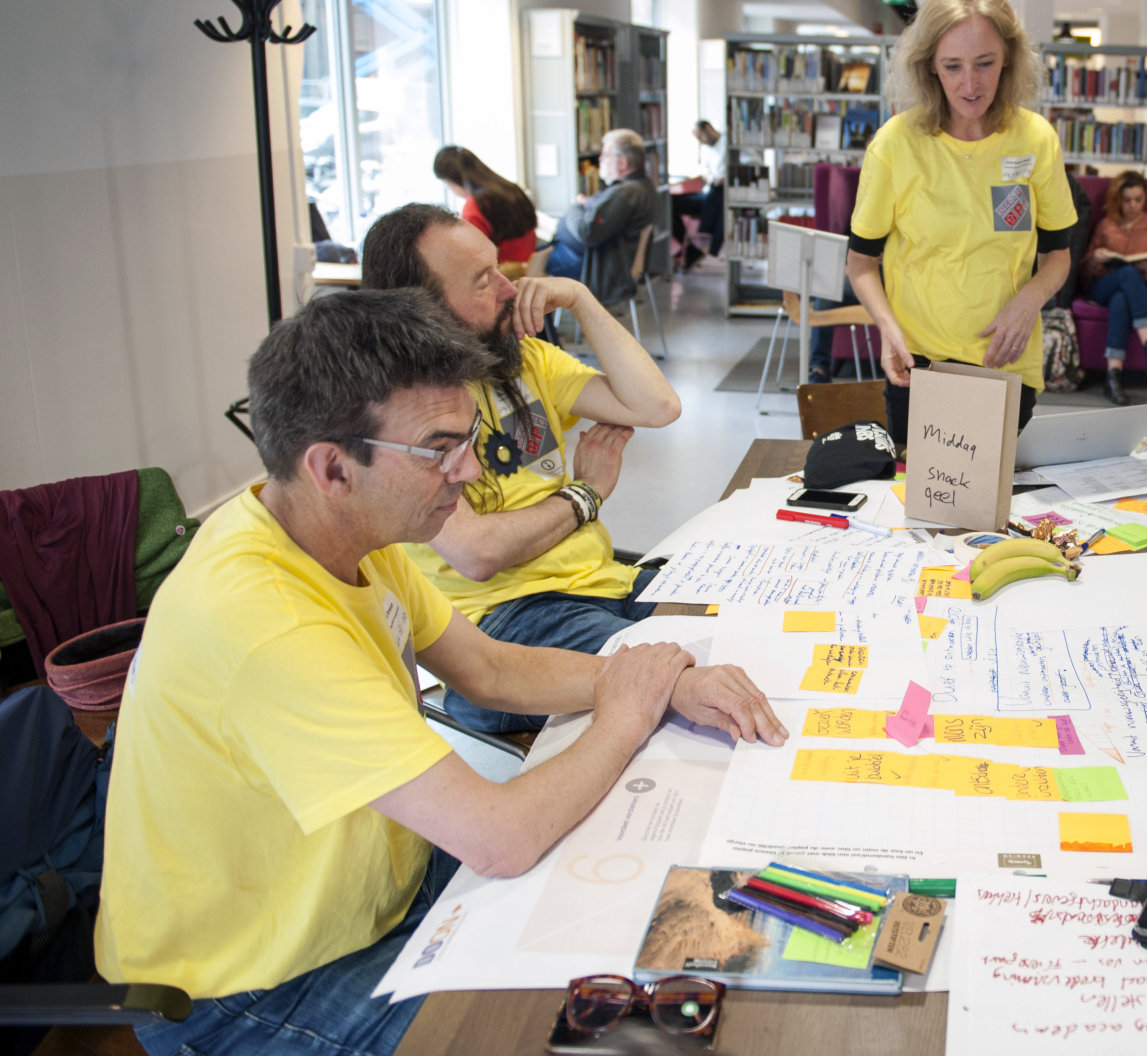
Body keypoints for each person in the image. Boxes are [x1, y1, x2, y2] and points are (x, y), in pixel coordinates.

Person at [96, 289, 783, 1056]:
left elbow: (488, 667)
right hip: (248, 983)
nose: (467, 471)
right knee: (585, 1034)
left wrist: (664, 682)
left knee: (659, 944)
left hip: (373, 895)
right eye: (438, 449)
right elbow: (502, 838)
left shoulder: (348, 530)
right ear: (331, 468)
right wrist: (627, 710)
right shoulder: (265, 618)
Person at [360, 205, 681, 732]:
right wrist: (587, 494)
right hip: (500, 625)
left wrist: (580, 298)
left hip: (603, 585)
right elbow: (477, 553)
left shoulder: (523, 360)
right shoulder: (404, 410)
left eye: (501, 271)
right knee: (677, 669)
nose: (512, 291)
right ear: (423, 309)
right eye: (484, 281)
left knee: (736, 622)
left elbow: (658, 407)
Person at [846, 0, 1078, 443]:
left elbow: (1058, 255)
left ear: (1008, 58)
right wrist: (889, 331)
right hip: (920, 367)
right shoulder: (896, 143)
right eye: (952, 66)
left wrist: (1028, 301)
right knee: (927, 509)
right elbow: (860, 263)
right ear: (929, 66)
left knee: (993, 510)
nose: (970, 84)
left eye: (985, 63)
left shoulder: (1035, 139)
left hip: (1006, 363)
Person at [1080, 168, 1147, 405]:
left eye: (1138, 199)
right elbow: (1084, 270)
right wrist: (1096, 258)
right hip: (1105, 285)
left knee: (1122, 299)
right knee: (1126, 276)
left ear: (1144, 197)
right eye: (1127, 200)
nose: (1133, 205)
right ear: (1118, 200)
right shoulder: (1105, 225)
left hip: (1145, 288)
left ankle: (1113, 377)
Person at [548, 130, 664, 303]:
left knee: (534, 268)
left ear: (623, 163)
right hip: (614, 266)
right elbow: (608, 216)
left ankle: (545, 329)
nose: (600, 160)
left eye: (605, 155)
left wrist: (575, 205)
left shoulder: (625, 194)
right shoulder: (643, 186)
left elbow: (587, 233)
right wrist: (589, 205)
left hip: (602, 271)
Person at [433, 145, 538, 267]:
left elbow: (473, 256)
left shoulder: (475, 206)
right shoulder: (512, 189)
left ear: (452, 181)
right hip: (526, 269)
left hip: (504, 276)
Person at [673, 119, 728, 271]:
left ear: (708, 129)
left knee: (719, 199)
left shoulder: (728, 144)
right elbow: (708, 172)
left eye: (700, 137)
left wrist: (724, 179)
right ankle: (686, 243)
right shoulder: (706, 150)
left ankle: (701, 244)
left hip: (720, 193)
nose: (701, 141)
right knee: (671, 202)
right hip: (707, 195)